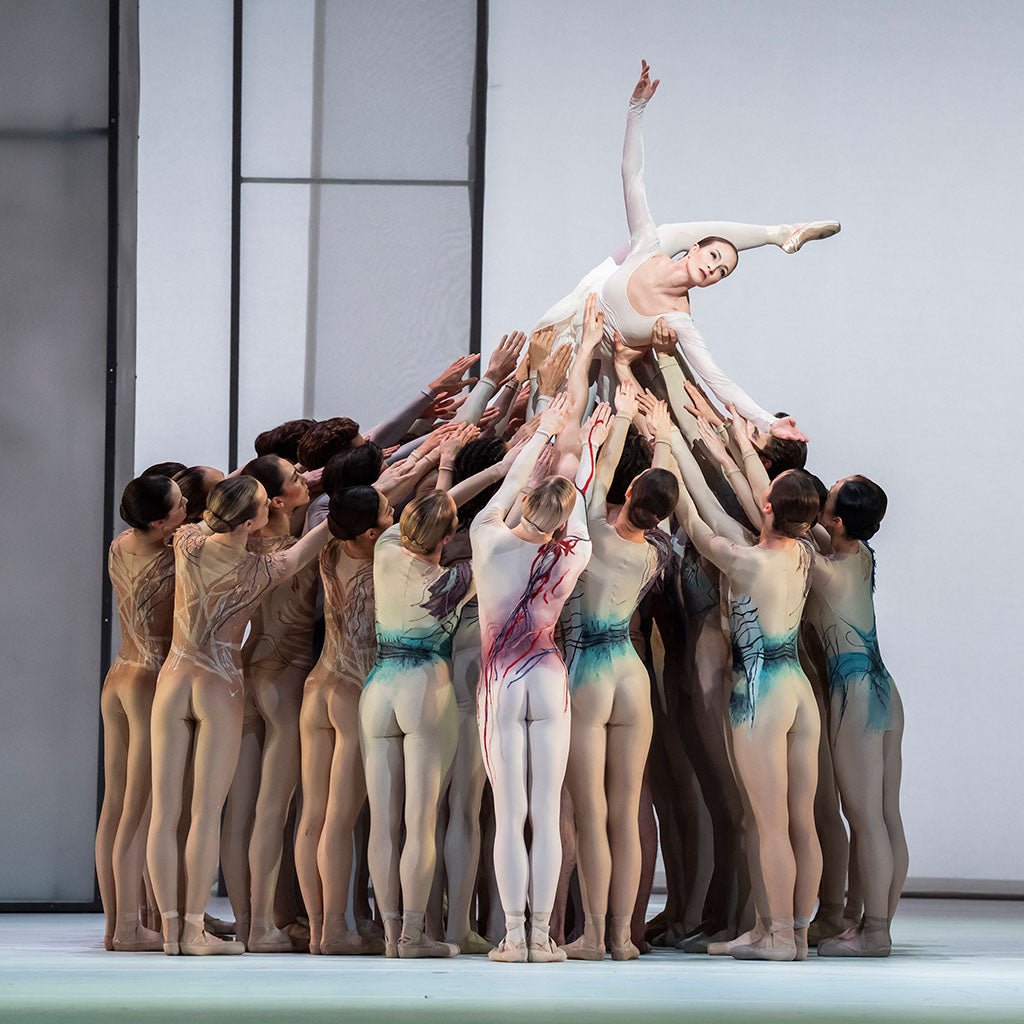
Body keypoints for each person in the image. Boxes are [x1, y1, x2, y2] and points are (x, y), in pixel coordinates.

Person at [535, 61, 839, 439]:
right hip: (572, 321)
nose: (714, 270)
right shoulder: (650, 246)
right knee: (524, 415)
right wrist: (637, 108)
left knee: (558, 438)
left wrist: (767, 421)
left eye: (722, 272)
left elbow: (717, 378)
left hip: (600, 362)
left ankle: (780, 233)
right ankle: (779, 233)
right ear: (693, 251)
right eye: (713, 258)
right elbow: (632, 175)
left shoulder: (678, 318)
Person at [146, 476, 330, 955]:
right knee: (206, 814)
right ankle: (192, 930)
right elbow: (319, 537)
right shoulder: (263, 569)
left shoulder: (187, 540)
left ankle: (172, 931)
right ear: (252, 521)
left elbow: (211, 511)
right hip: (219, 682)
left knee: (166, 815)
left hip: (173, 679)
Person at [672, 443, 823, 961]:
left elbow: (694, 517)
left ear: (767, 506)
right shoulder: (802, 553)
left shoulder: (744, 562)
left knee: (768, 822)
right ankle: (791, 932)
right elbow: (741, 501)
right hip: (799, 690)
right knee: (800, 819)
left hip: (760, 693)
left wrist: (668, 450)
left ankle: (777, 935)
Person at [470, 393, 594, 963]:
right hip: (546, 676)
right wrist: (582, 438)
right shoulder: (574, 554)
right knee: (545, 809)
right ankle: (542, 936)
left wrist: (544, 431)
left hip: (500, 680)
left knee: (509, 813)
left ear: (525, 503)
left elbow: (505, 492)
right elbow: (581, 498)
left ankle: (515, 934)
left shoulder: (487, 538)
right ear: (565, 520)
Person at [562, 382, 676, 961]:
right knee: (627, 812)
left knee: (590, 812)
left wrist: (618, 422)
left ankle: (591, 934)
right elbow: (656, 494)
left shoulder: (594, 533)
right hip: (632, 673)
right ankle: (623, 937)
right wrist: (660, 443)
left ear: (629, 492)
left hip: (589, 670)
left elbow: (599, 475)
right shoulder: (655, 550)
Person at [359, 490, 476, 958]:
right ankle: (412, 934)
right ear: (450, 536)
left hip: (379, 685)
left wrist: (445, 467)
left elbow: (426, 513)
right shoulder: (454, 580)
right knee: (420, 822)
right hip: (424, 686)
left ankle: (391, 935)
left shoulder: (385, 551)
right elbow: (495, 533)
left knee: (383, 825)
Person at [219, 455, 318, 952]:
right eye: (298, 477)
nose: (307, 476)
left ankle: (246, 921)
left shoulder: (242, 541)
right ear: (275, 500)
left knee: (241, 812)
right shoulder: (298, 550)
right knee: (273, 812)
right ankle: (261, 926)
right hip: (283, 680)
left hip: (246, 670)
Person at [808, 476, 907, 957]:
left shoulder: (825, 570)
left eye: (827, 499)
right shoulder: (863, 555)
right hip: (884, 687)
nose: (822, 499)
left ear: (838, 521)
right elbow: (819, 531)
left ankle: (876, 932)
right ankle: (873, 923)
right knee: (886, 815)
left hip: (856, 694)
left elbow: (787, 528)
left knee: (865, 817)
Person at [296, 485, 394, 955]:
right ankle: (334, 929)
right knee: (338, 820)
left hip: (318, 686)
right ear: (371, 531)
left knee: (312, 817)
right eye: (388, 510)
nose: (395, 512)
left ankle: (321, 929)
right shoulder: (390, 556)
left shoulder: (328, 544)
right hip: (354, 689)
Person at [96, 475, 186, 951]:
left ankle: (117, 925)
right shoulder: (176, 556)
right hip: (148, 681)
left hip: (118, 675)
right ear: (159, 520)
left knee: (115, 808)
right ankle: (129, 927)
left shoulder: (120, 543)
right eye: (179, 503)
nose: (188, 504)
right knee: (138, 811)